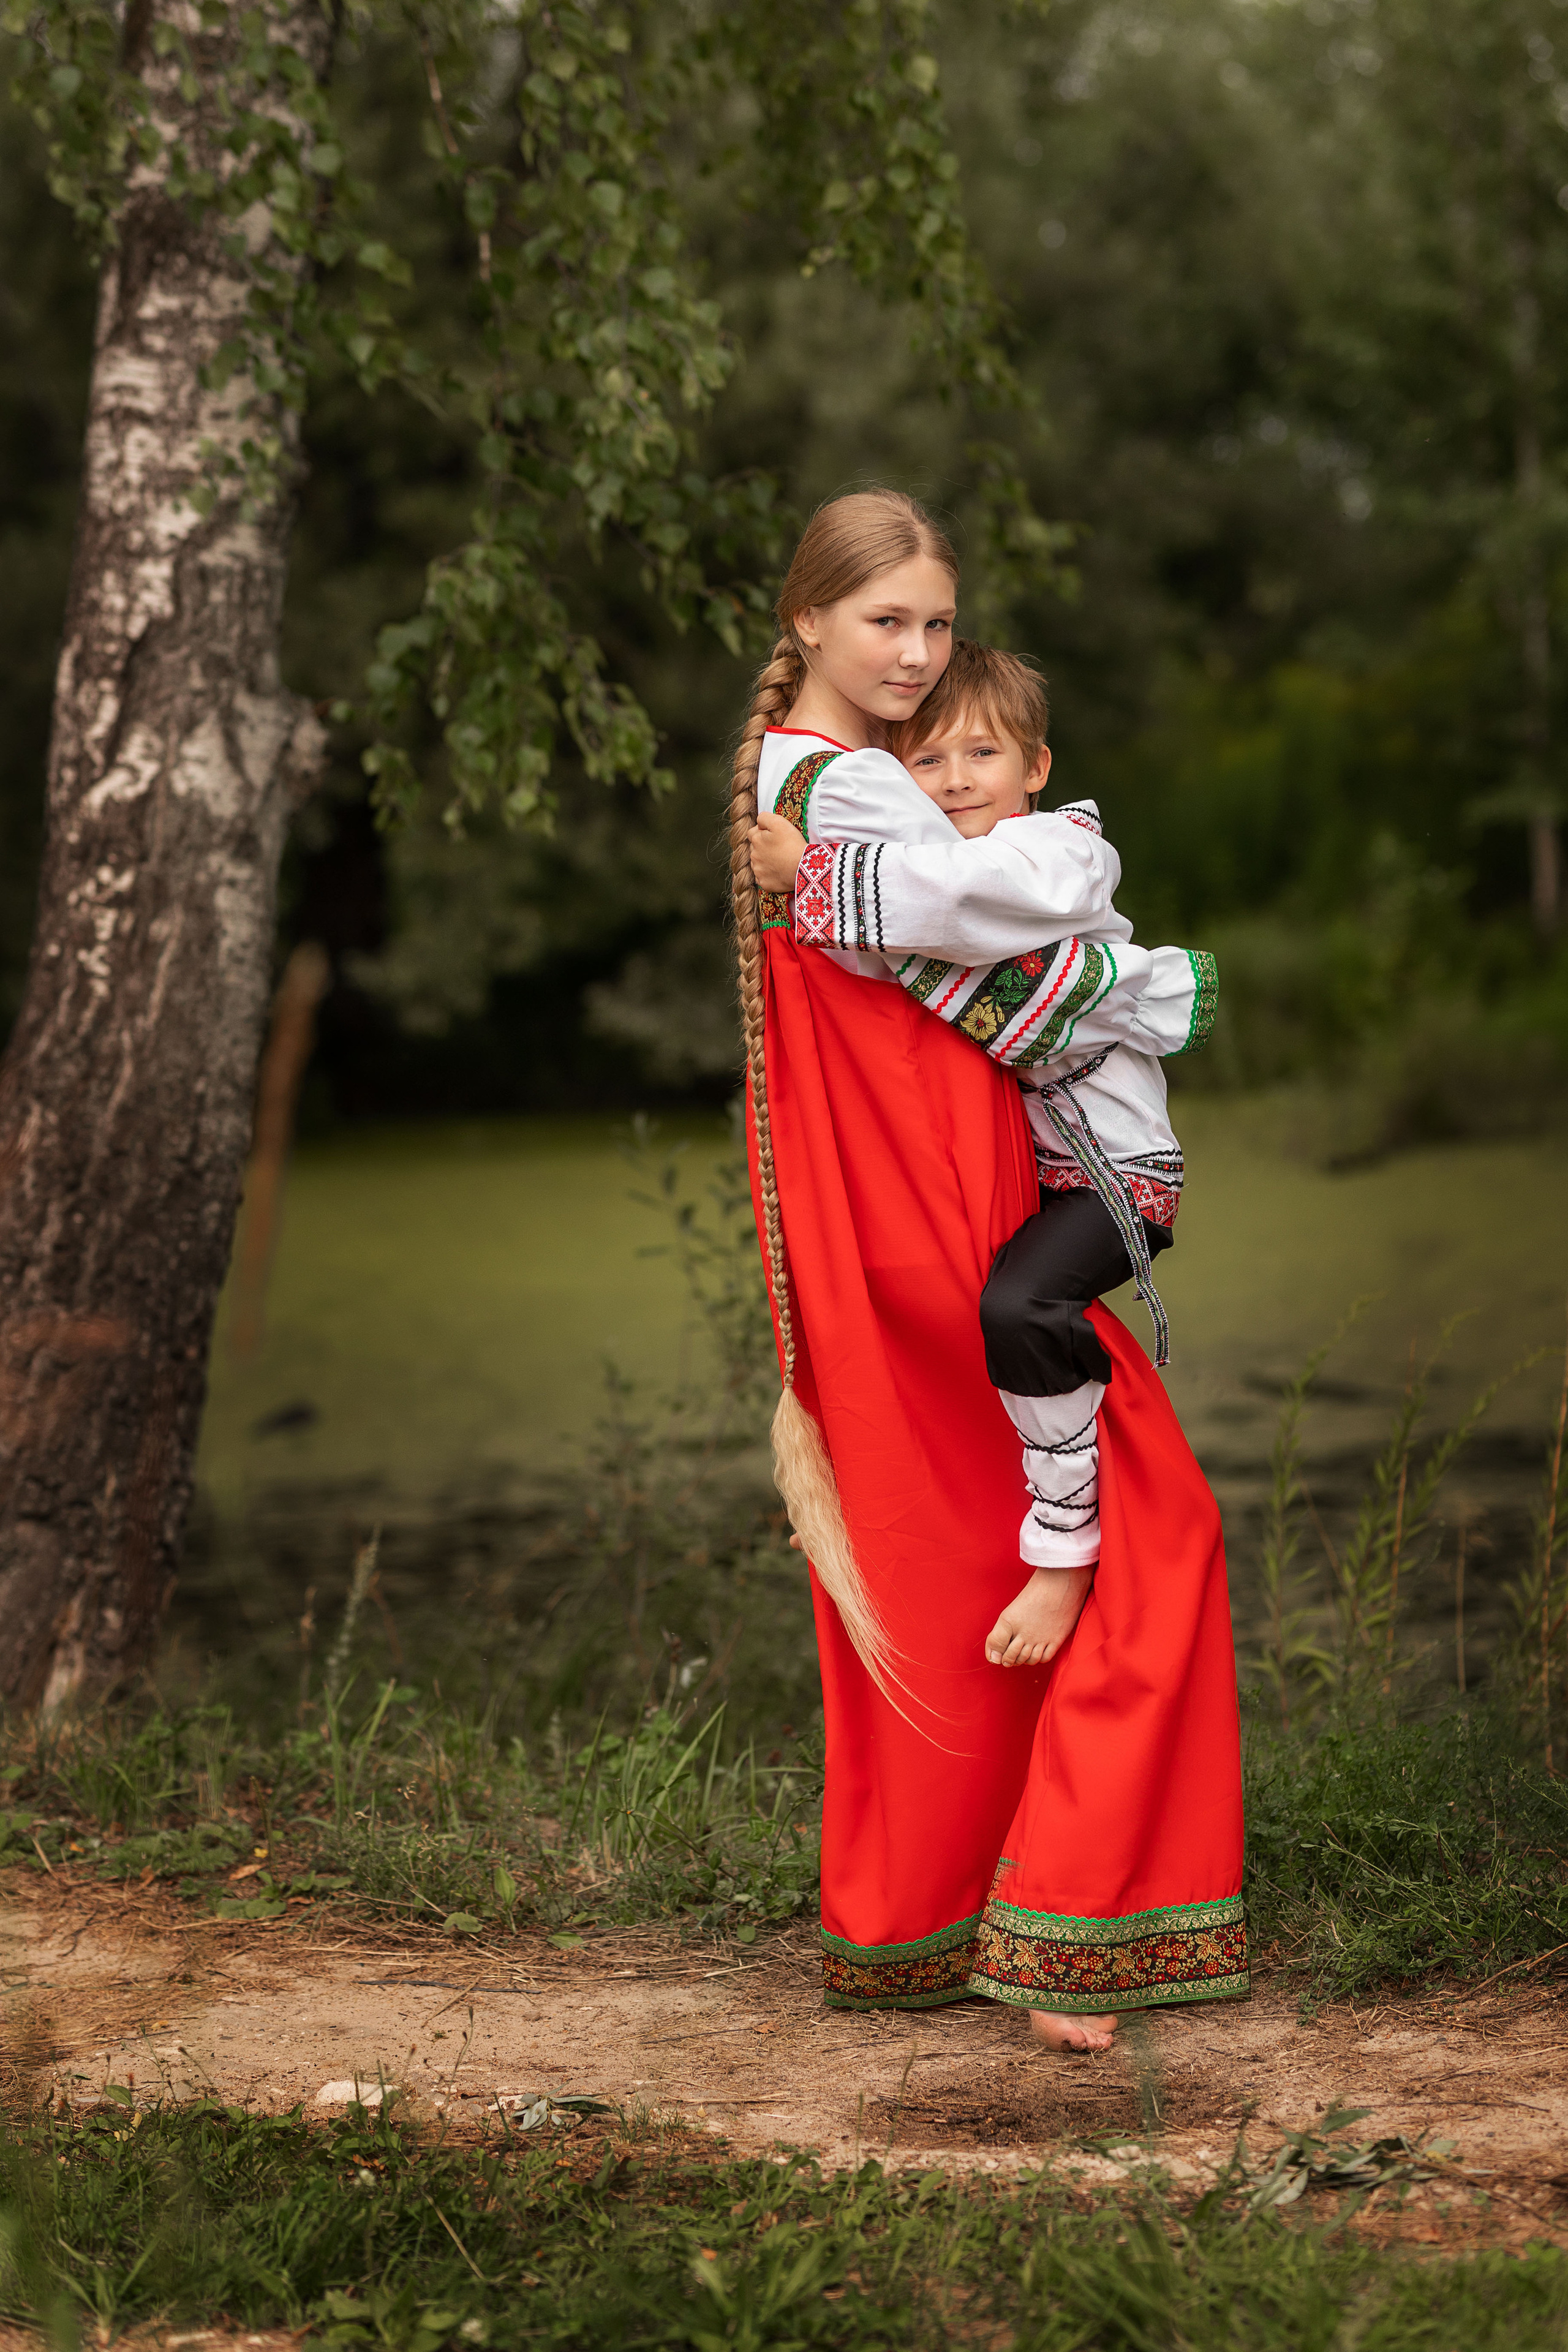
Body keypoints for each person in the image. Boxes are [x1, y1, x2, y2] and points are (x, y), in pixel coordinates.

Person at [729, 488, 1245, 2051]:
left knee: (950, 1547)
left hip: (926, 1192)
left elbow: (1003, 924)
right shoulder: (846, 802)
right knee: (1151, 1540)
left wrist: (1120, 980)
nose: (915, 650)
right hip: (931, 1204)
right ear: (804, 620)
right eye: (884, 620)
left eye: (936, 622)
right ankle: (1075, 1927)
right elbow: (987, 911)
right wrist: (1146, 982)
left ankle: (943, 1914)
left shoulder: (823, 777)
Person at [748, 638, 1217, 1679]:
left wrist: (811, 873)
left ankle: (1065, 1545)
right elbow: (912, 923)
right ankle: (874, 1485)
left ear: (1037, 768)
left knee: (1017, 1311)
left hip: (1115, 1178)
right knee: (918, 1303)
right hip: (1042, 1173)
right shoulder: (959, 851)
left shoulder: (1060, 856)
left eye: (982, 755)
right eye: (927, 763)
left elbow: (954, 901)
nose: (957, 782)